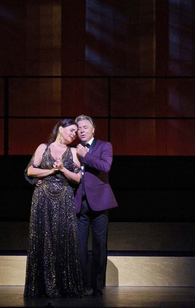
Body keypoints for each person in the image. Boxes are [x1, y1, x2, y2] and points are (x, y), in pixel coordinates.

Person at [23, 119, 85, 298]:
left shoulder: (73, 152)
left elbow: (78, 178)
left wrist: (63, 169)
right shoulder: (43, 147)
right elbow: (30, 171)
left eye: (76, 132)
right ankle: (41, 286)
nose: (74, 134)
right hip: (43, 197)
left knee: (63, 238)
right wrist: (51, 171)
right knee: (42, 238)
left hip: (64, 198)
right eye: (72, 130)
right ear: (61, 129)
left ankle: (64, 285)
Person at [74, 115, 118, 297]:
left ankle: (98, 285)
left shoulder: (104, 146)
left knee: (99, 245)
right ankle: (82, 284)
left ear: (93, 129)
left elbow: (105, 167)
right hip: (79, 203)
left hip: (99, 202)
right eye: (78, 128)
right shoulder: (73, 149)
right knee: (79, 246)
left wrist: (86, 156)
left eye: (85, 127)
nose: (81, 130)